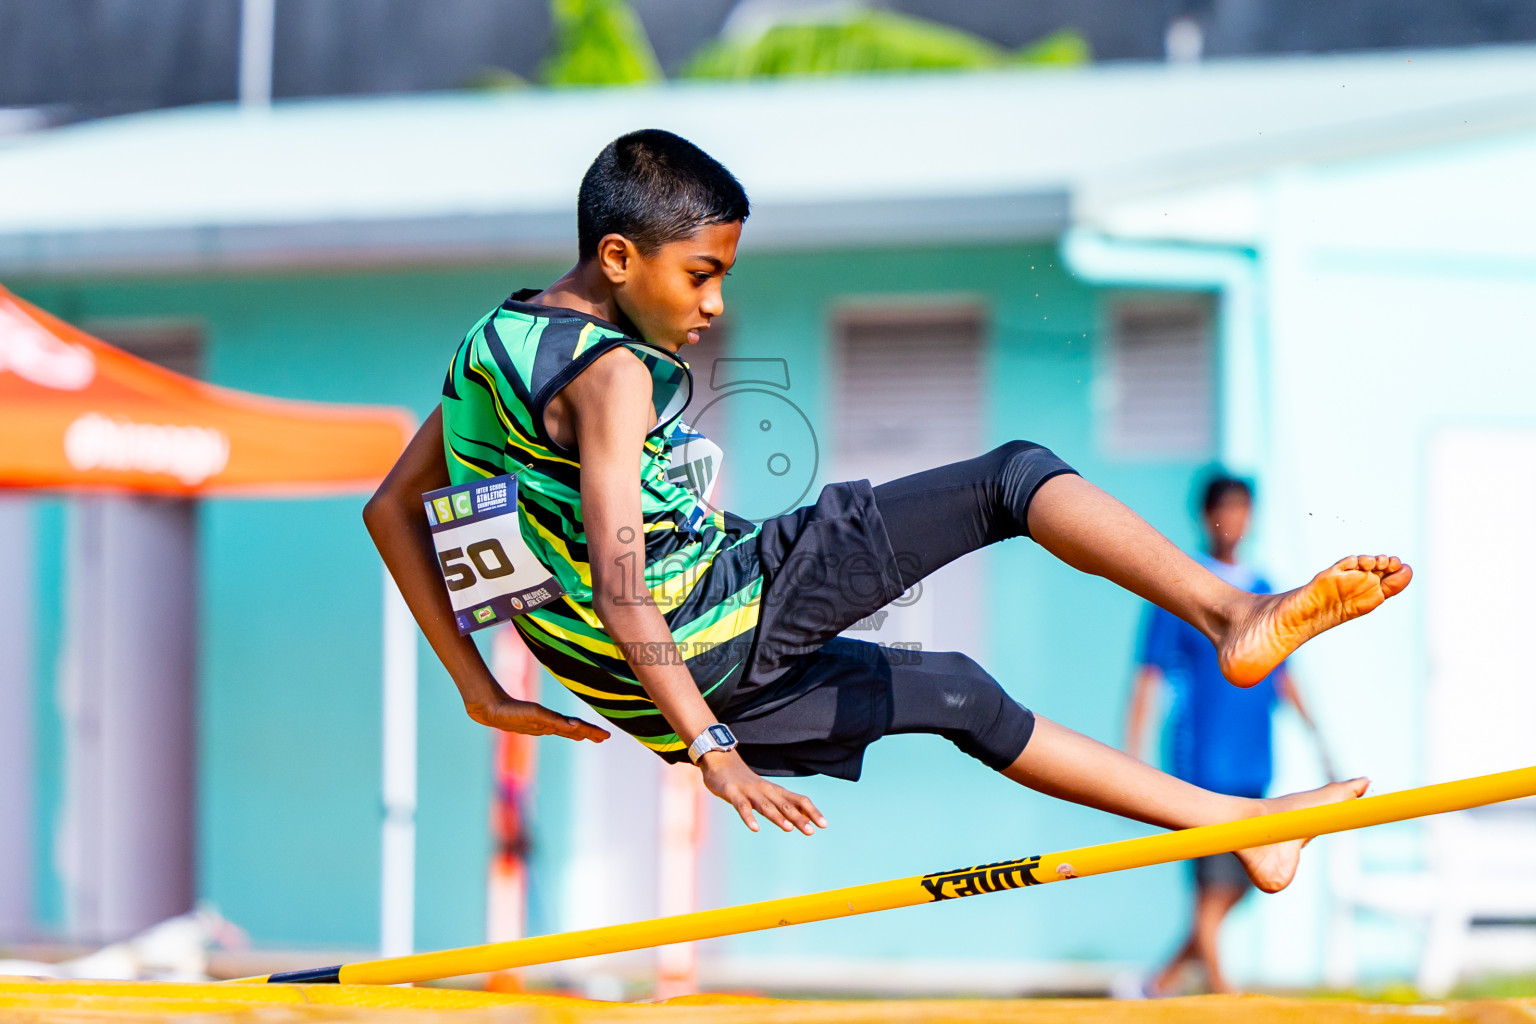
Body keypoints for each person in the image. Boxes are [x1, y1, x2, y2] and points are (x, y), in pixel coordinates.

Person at [363, 130, 1411, 898]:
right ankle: (1230, 614)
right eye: (702, 275)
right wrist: (716, 745)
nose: (714, 304)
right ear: (620, 258)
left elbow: (393, 511)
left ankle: (1238, 828)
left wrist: (478, 687)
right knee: (1013, 475)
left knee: (957, 694)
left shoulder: (488, 347)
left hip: (654, 695)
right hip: (710, 631)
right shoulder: (611, 380)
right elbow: (626, 580)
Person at [1125, 474, 1336, 995]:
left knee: (1241, 881)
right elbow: (1148, 674)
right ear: (1205, 515)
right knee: (1210, 881)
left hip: (1251, 756)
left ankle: (1158, 984)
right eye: (1225, 510)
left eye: (1243, 510)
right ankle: (1224, 993)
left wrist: (1318, 737)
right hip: (1203, 756)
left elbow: (1284, 673)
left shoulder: (1264, 589)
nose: (1234, 522)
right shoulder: (1183, 585)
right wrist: (1131, 753)